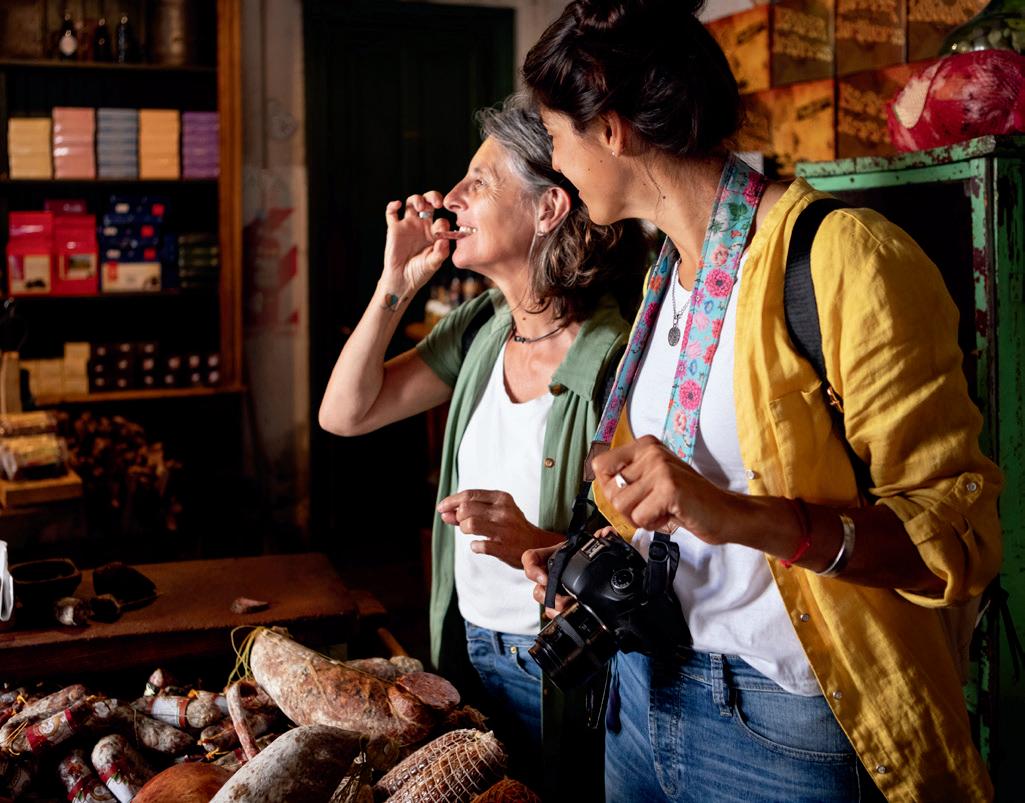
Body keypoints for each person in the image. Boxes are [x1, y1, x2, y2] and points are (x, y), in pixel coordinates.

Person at [519, 1, 1003, 801]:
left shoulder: (843, 257)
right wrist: (596, 550)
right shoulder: (667, 276)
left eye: (554, 136)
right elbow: (684, 494)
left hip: (780, 726)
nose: (554, 162)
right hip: (639, 692)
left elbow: (953, 539)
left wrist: (739, 515)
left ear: (609, 129)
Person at [318, 93, 649, 790]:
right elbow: (344, 414)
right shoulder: (482, 327)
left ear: (548, 208)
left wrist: (539, 541)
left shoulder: (616, 357)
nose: (450, 198)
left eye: (480, 181)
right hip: (466, 648)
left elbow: (647, 563)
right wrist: (395, 283)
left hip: (563, 673)